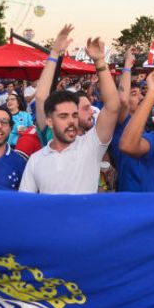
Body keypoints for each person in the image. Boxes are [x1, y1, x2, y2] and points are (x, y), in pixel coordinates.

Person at [20, 33, 120, 194]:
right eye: (63, 116)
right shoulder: (36, 160)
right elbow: (25, 204)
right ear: (49, 121)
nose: (71, 121)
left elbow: (113, 106)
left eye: (74, 115)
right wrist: (54, 54)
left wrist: (100, 61)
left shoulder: (90, 146)